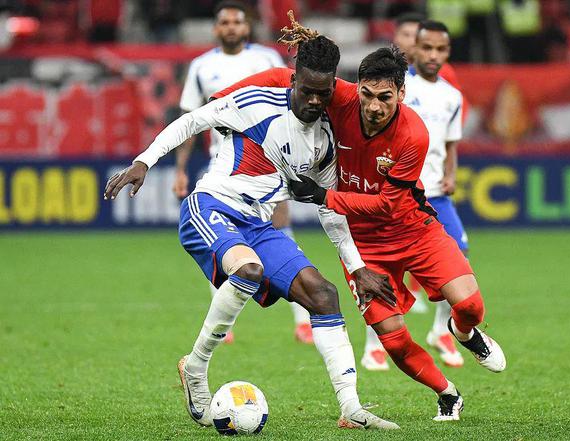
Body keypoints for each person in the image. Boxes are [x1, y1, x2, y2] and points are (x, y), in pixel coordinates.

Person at [104, 30, 399, 430]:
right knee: (248, 270)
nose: (315, 101)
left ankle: (351, 408)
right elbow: (192, 120)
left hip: (258, 225)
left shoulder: (326, 140)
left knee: (324, 295)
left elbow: (330, 210)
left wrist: (357, 267)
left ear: (334, 86)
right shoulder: (255, 103)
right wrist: (145, 161)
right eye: (308, 91)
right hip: (211, 206)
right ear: (293, 80)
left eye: (324, 93)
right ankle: (196, 367)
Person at [215, 38, 506, 422]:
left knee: (470, 306)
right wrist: (220, 101)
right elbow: (280, 77)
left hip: (415, 230)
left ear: (401, 94)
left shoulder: (413, 135)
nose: (373, 106)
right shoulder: (341, 97)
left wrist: (324, 195)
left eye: (385, 98)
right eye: (367, 94)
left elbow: (388, 204)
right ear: (358, 88)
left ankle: (463, 332)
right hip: (364, 244)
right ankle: (447, 393)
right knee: (394, 340)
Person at [173, 0, 313, 344]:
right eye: (225, 22)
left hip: (269, 163)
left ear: (247, 27)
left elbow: (291, 105)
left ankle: (302, 321)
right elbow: (190, 120)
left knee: (280, 228)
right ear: (216, 28)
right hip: (222, 166)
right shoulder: (201, 66)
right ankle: (223, 324)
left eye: (237, 22)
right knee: (220, 242)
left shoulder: (266, 59)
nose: (231, 27)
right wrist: (180, 169)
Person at [360, 14, 470, 372]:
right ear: (415, 48)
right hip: (396, 195)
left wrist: (450, 173)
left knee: (459, 256)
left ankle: (441, 331)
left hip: (435, 195)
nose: (433, 55)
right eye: (426, 47)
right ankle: (374, 345)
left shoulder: (452, 96)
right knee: (383, 273)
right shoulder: (397, 89)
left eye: (440, 49)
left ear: (448, 52)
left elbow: (450, 143)